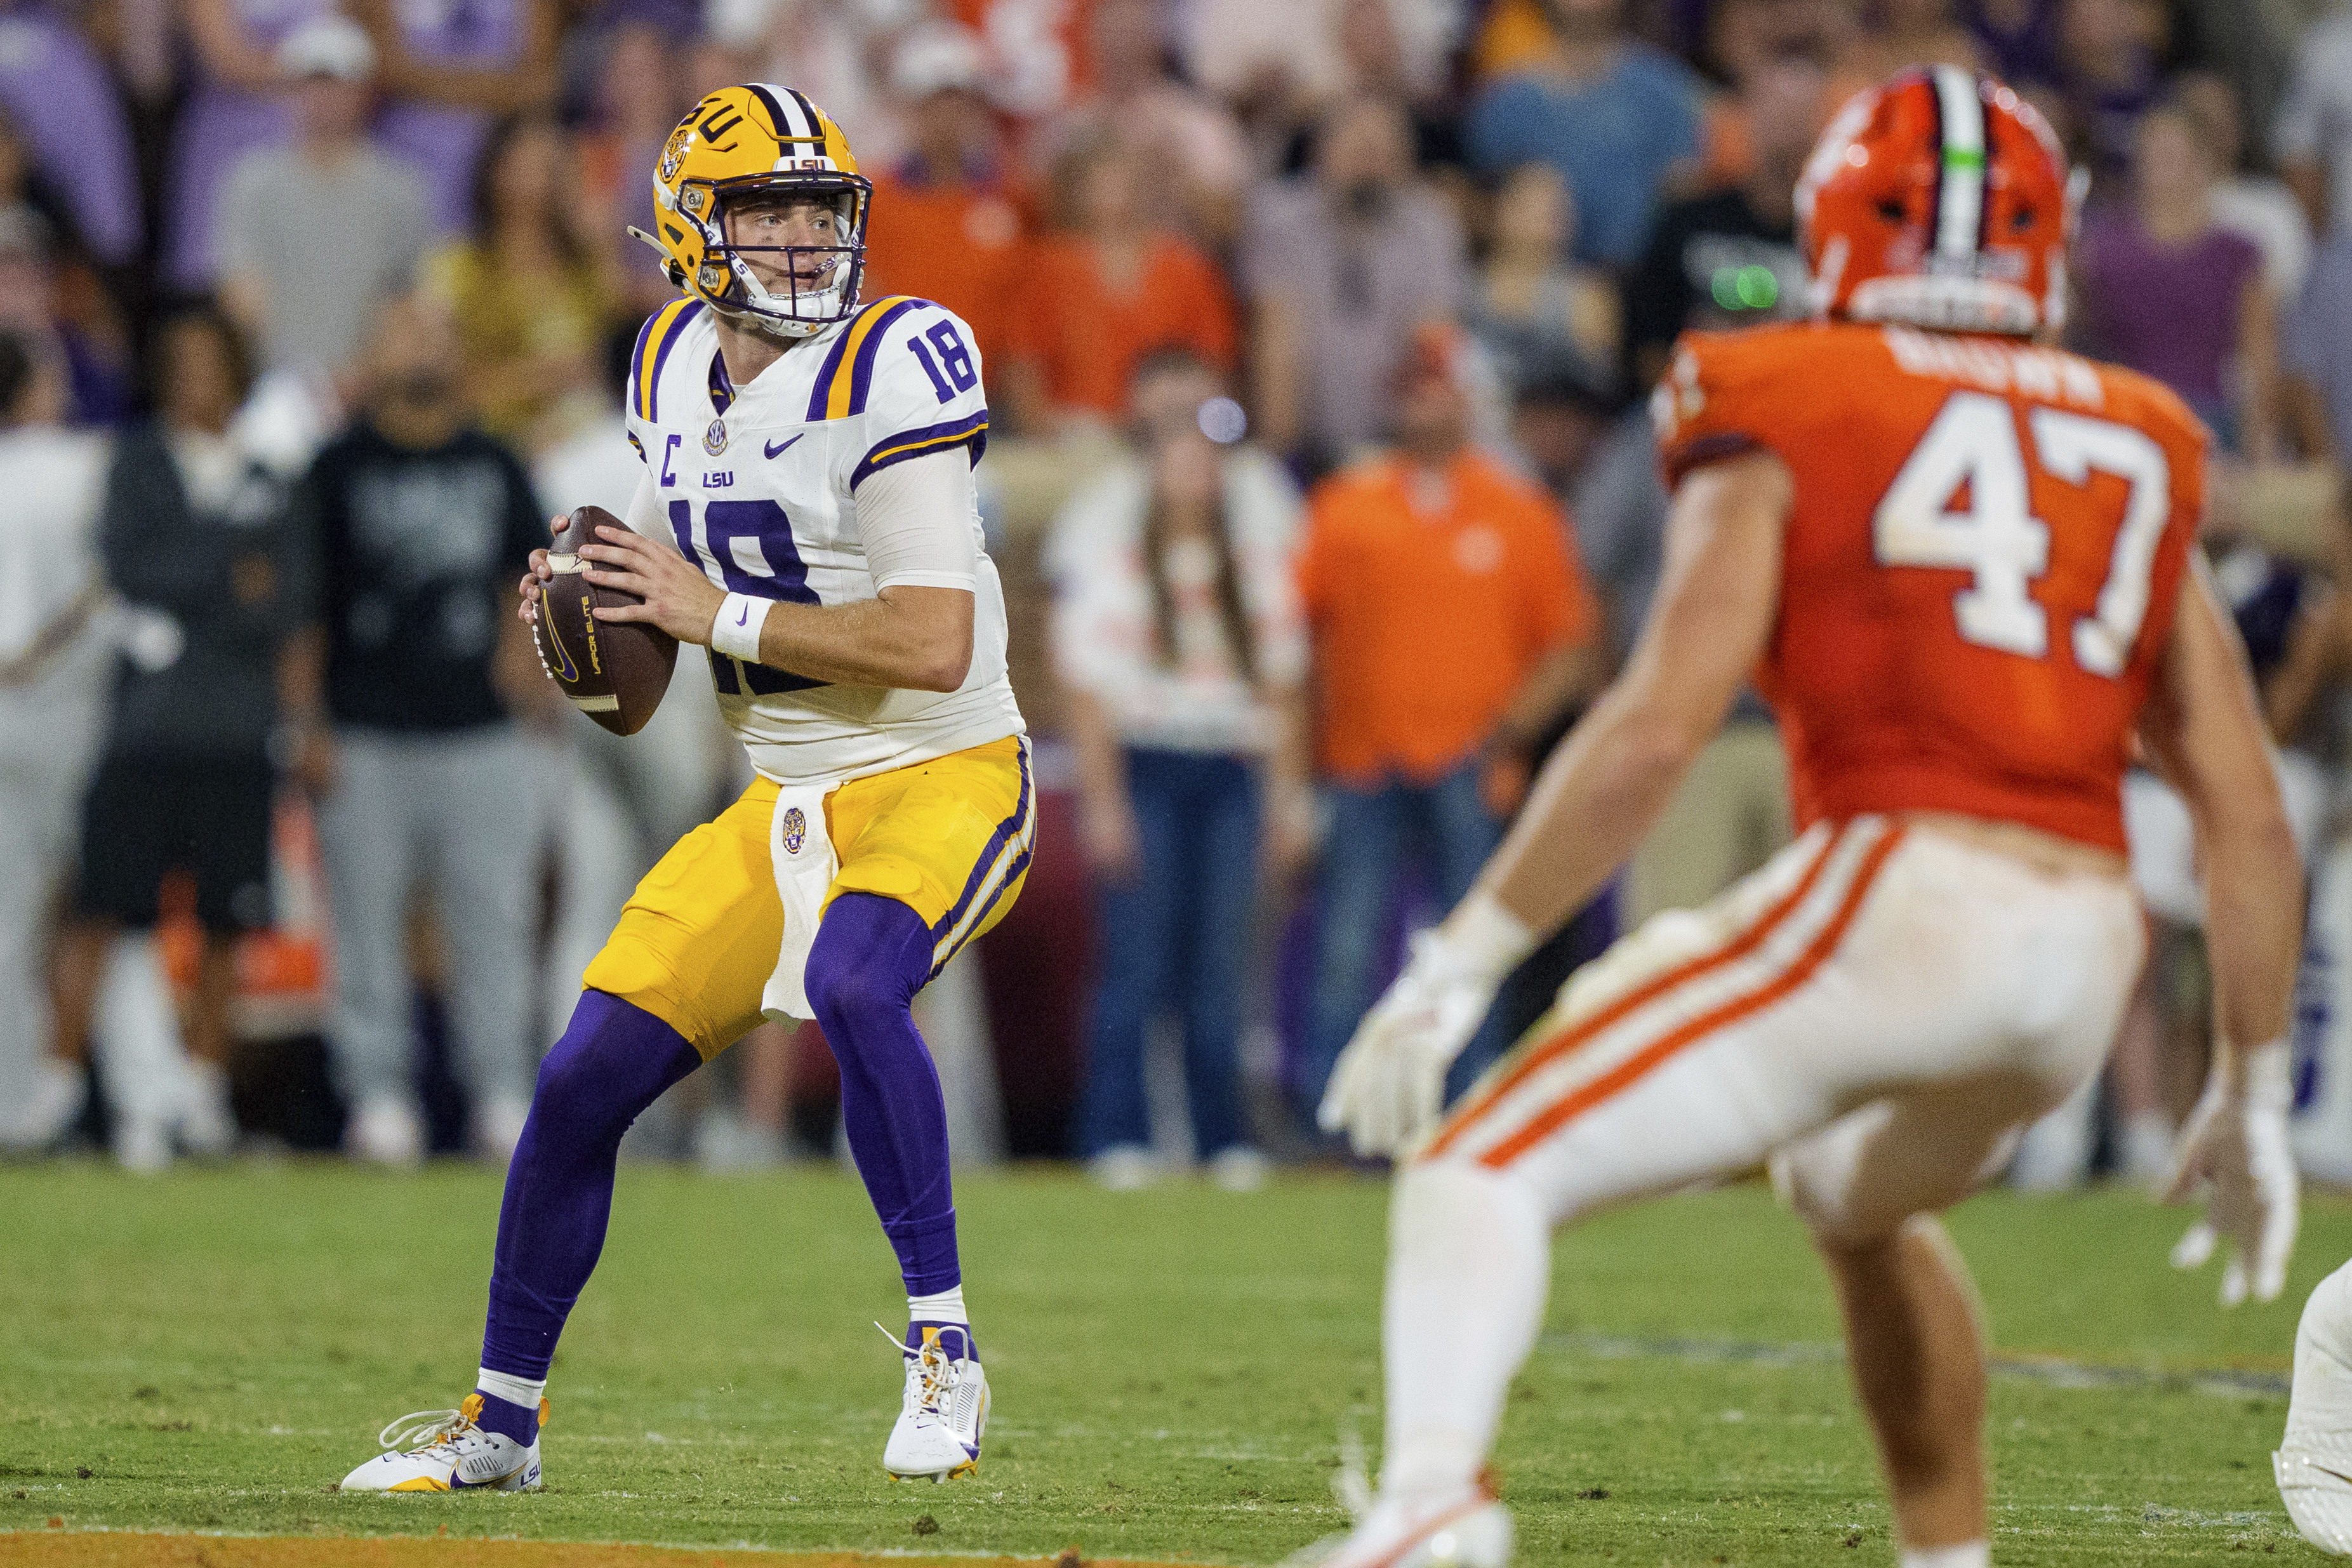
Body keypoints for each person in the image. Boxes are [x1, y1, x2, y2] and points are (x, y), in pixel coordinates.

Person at [1310, 69, 2300, 1568]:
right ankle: (1947, 1554)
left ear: (1837, 221)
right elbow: (2241, 806)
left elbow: (1657, 721)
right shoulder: (2140, 428)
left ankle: (1436, 1503)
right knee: (1848, 1192)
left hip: (1911, 890)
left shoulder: (1784, 384)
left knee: (1477, 1160)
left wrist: (1460, 956)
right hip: (2079, 950)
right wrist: (2251, 1073)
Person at [338, 84, 1025, 1494]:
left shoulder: (896, 357)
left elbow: (928, 640)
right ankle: (500, 1425)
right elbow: (646, 677)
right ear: (686, 231)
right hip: (780, 798)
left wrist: (704, 610)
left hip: (942, 766)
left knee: (855, 980)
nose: (797, 238)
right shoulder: (662, 366)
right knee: (582, 1077)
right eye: (764, 209)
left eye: (818, 208)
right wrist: (587, 626)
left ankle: (947, 1352)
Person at [1294, 324, 1598, 1126]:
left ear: (1467, 401)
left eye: (1441, 387)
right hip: (1364, 756)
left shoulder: (1518, 508)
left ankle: (1467, 1110)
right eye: (1415, 386)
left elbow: (1569, 646)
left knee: (1470, 945)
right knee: (1347, 946)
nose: (1427, 402)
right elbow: (1299, 636)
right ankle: (1334, 1117)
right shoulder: (1347, 505)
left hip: (1471, 758)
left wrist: (1507, 731)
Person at [49, 307, 309, 1166]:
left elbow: (284, 597)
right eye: (181, 359)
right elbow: (130, 565)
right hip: (146, 730)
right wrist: (226, 564)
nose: (197, 376)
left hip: (235, 728)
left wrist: (198, 573)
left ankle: (198, 1097)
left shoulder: (271, 469)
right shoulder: (142, 460)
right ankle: (63, 1094)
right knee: (103, 908)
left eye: (212, 360)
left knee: (227, 920)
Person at [294, 294, 548, 1168]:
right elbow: (305, 607)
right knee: (363, 923)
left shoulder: (494, 460)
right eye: (402, 328)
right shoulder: (335, 466)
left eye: (438, 331)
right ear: (370, 347)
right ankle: (377, 1094)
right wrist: (307, 722)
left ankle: (503, 1090)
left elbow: (531, 571)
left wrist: (521, 669)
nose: (422, 346)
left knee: (494, 920)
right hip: (365, 725)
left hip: (478, 729)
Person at [1052, 350, 1311, 1190]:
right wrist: (1102, 804)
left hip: (1229, 764)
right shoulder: (1117, 554)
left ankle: (1221, 1132)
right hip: (1149, 763)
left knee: (1221, 966)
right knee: (1137, 958)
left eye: (1207, 459)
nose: (1193, 474)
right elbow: (1088, 688)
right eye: (1179, 458)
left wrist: (1286, 801)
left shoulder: (1254, 560)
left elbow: (1282, 688)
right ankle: (1116, 1128)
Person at [0, 331, 110, 1151]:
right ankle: (132, 1100)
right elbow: (109, 584)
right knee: (95, 910)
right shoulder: (81, 465)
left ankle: (20, 1101)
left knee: (14, 918)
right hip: (68, 717)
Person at [1244, 93, 1466, 476]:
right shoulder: (1279, 218)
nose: (1370, 166)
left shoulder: (1430, 223)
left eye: (1383, 153)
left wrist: (1412, 458)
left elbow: (1434, 342)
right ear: (1322, 151)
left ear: (1405, 160)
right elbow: (1276, 343)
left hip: (1396, 441)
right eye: (1358, 150)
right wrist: (1284, 461)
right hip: (1305, 436)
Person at [216, 17, 431, 391]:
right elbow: (242, 297)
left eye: (338, 83)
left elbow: (408, 301)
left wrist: (360, 379)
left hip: (371, 393)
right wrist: (296, 386)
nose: (324, 97)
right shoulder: (252, 182)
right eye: (311, 83)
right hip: (277, 388)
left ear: (365, 93)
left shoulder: (400, 188)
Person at [2075, 95, 2283, 458]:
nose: (2160, 164)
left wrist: (2260, 444)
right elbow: (2070, 333)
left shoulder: (2237, 254)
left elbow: (2261, 363)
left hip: (2209, 424)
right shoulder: (2099, 249)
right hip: (2123, 417)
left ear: (2203, 162)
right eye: (2151, 152)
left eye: (2172, 153)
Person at [1003, 133, 1239, 432]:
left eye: (1124, 178)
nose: (1116, 191)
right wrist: (1044, 439)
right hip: (1075, 434)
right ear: (1078, 188)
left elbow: (1214, 364)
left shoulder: (1184, 265)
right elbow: (1023, 365)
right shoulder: (1048, 266)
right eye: (1103, 178)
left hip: (1166, 433)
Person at [1464, 0, 1706, 270]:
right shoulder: (1503, 103)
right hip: (1538, 288)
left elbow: (1686, 203)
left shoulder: (1666, 91)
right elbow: (1484, 213)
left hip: (1642, 284)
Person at [423, 113, 617, 450]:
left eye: (549, 166)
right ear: (494, 172)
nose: (537, 180)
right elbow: (444, 385)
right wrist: (542, 376)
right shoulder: (459, 268)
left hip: (586, 441)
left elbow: (613, 365)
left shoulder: (587, 269)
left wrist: (602, 242)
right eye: (525, 164)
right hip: (494, 445)